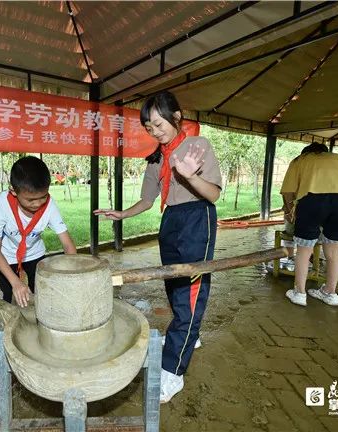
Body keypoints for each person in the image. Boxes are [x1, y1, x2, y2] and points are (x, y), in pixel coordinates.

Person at [94, 91, 222, 404]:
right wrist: (121, 214)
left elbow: (214, 194)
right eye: (149, 127)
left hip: (197, 216)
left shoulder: (197, 146)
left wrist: (190, 177)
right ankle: (190, 333)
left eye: (157, 123)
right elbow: (149, 200)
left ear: (176, 117)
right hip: (171, 221)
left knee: (192, 288)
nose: (154, 131)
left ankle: (173, 371)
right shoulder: (156, 158)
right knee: (175, 283)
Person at [0, 156, 77, 308]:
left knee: (42, 294)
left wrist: (74, 272)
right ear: (13, 191)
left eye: (43, 197)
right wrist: (16, 283)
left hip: (35, 253)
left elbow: (67, 245)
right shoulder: (0, 204)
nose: (38, 204)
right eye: (31, 200)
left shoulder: (50, 206)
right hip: (6, 257)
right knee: (12, 296)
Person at [280, 144, 338, 307]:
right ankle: (330, 293)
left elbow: (288, 192)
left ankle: (299, 293)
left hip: (313, 201)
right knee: (334, 251)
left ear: (307, 152)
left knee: (304, 251)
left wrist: (290, 212)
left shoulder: (301, 160)